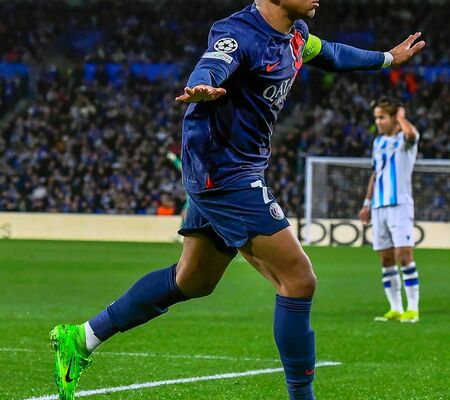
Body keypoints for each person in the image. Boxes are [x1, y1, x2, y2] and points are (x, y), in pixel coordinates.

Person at [48, 1, 425, 399]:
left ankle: (82, 338)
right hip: (224, 172)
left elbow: (331, 53)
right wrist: (203, 85)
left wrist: (387, 58)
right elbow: (215, 61)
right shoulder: (239, 33)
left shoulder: (296, 36)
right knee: (298, 280)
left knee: (192, 280)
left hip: (229, 169)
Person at [358, 97, 421, 323]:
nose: (378, 121)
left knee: (404, 256)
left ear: (394, 117)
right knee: (386, 258)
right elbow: (375, 174)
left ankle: (412, 308)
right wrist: (366, 204)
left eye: (382, 117)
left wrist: (401, 118)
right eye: (376, 117)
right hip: (379, 206)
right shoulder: (378, 143)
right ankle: (395, 308)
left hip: (400, 205)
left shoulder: (405, 139)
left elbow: (412, 135)